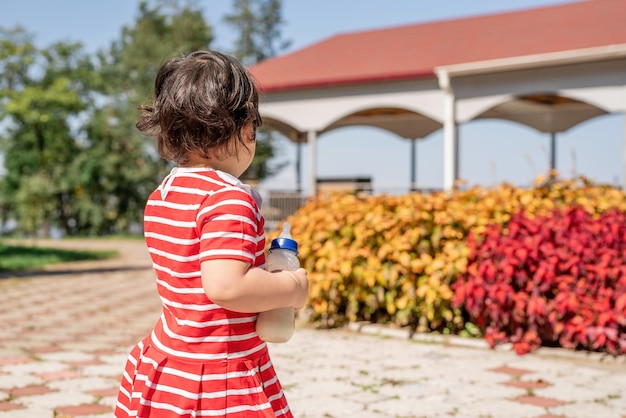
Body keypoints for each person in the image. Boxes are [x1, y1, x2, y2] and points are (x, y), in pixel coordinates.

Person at [115, 50, 309, 418]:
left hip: (173, 358)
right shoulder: (229, 198)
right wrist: (293, 287)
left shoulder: (163, 195)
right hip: (219, 372)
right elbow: (227, 287)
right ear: (246, 127)